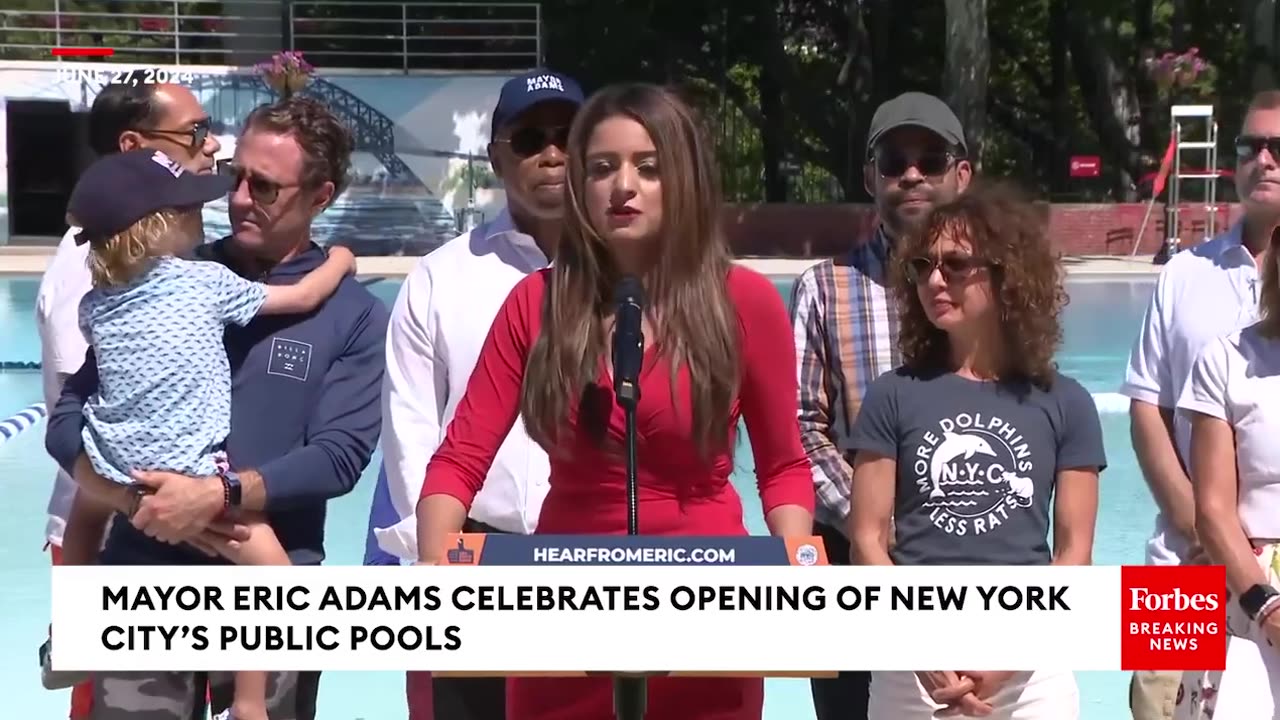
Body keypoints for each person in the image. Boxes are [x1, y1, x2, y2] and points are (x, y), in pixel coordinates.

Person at [413, 82, 814, 720]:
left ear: (682, 179)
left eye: (647, 168)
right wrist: (438, 576)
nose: (622, 186)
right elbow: (458, 460)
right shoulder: (533, 305)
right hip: (559, 620)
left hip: (710, 616)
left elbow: (784, 468)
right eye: (602, 168)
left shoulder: (746, 302)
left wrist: (795, 575)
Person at [45, 95, 388, 720]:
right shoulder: (166, 278)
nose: (238, 199)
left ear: (322, 195)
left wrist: (217, 496)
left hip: (271, 593)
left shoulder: (354, 316)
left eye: (266, 186)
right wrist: (129, 498)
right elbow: (69, 419)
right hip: (143, 579)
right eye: (237, 178)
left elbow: (338, 460)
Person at [368, 68, 583, 720]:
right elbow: (410, 431)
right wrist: (439, 558)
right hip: (470, 560)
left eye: (567, 136)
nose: (551, 153)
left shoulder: (629, 281)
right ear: (496, 156)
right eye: (529, 139)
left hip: (585, 560)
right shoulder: (440, 279)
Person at [846, 181, 1106, 719]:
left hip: (1031, 671)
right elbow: (867, 540)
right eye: (923, 265)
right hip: (911, 672)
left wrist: (1005, 662)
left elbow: (1074, 556)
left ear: (1006, 274)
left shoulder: (1067, 403)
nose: (934, 279)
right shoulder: (892, 395)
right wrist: (923, 653)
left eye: (956, 264)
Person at [35, 81, 222, 719]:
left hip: (148, 511)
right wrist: (129, 498)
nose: (212, 144)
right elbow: (69, 425)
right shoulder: (92, 270)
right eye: (195, 132)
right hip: (114, 521)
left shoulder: (151, 262)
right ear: (134, 147)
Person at [790, 90, 972, 719]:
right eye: (895, 160)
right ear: (871, 177)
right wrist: (877, 525)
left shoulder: (997, 292)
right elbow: (802, 430)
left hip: (971, 553)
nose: (913, 174)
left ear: (963, 173)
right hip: (849, 561)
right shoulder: (824, 288)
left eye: (931, 159)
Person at [1120, 89, 1280, 720]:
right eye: (1251, 146)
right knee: (1160, 710)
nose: (1263, 160)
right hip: (1178, 565)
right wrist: (1202, 527)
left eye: (1279, 147)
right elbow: (1146, 412)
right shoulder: (1183, 273)